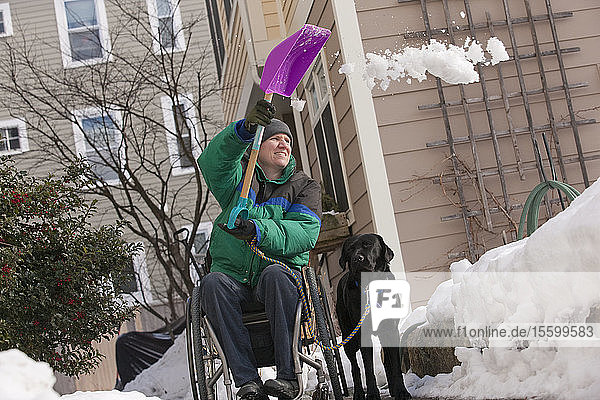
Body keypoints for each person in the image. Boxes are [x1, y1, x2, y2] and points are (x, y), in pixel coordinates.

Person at [197, 100, 322, 400]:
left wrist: (259, 229)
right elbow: (212, 163)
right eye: (275, 138)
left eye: (288, 140)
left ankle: (289, 378)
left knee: (276, 275)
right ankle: (247, 383)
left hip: (276, 277)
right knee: (211, 284)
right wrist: (244, 130)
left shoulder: (304, 187)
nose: (284, 144)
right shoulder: (237, 182)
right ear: (259, 145)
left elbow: (304, 233)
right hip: (234, 278)